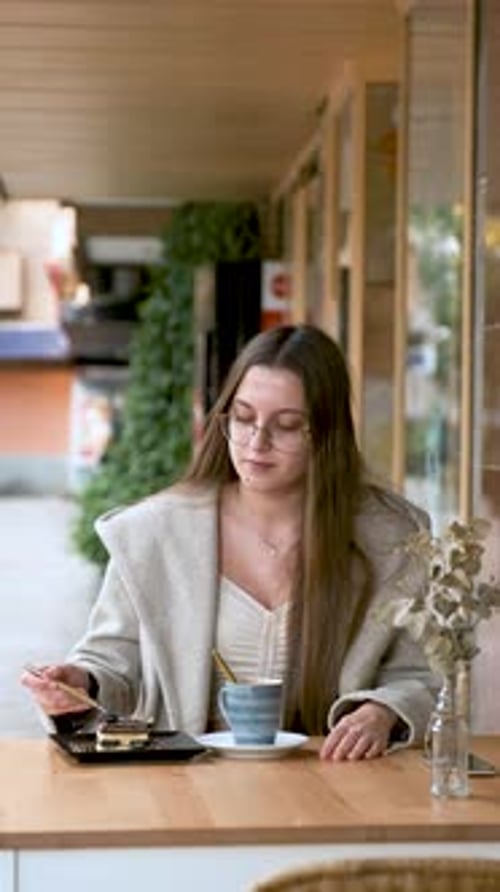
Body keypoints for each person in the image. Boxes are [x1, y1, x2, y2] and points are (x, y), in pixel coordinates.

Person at [22, 324, 435, 761]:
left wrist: (383, 711)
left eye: (288, 425)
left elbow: (423, 677)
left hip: (333, 789)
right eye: (242, 418)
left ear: (327, 433)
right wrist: (79, 682)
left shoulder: (391, 541)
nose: (257, 442)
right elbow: (113, 660)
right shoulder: (153, 534)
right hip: (185, 790)